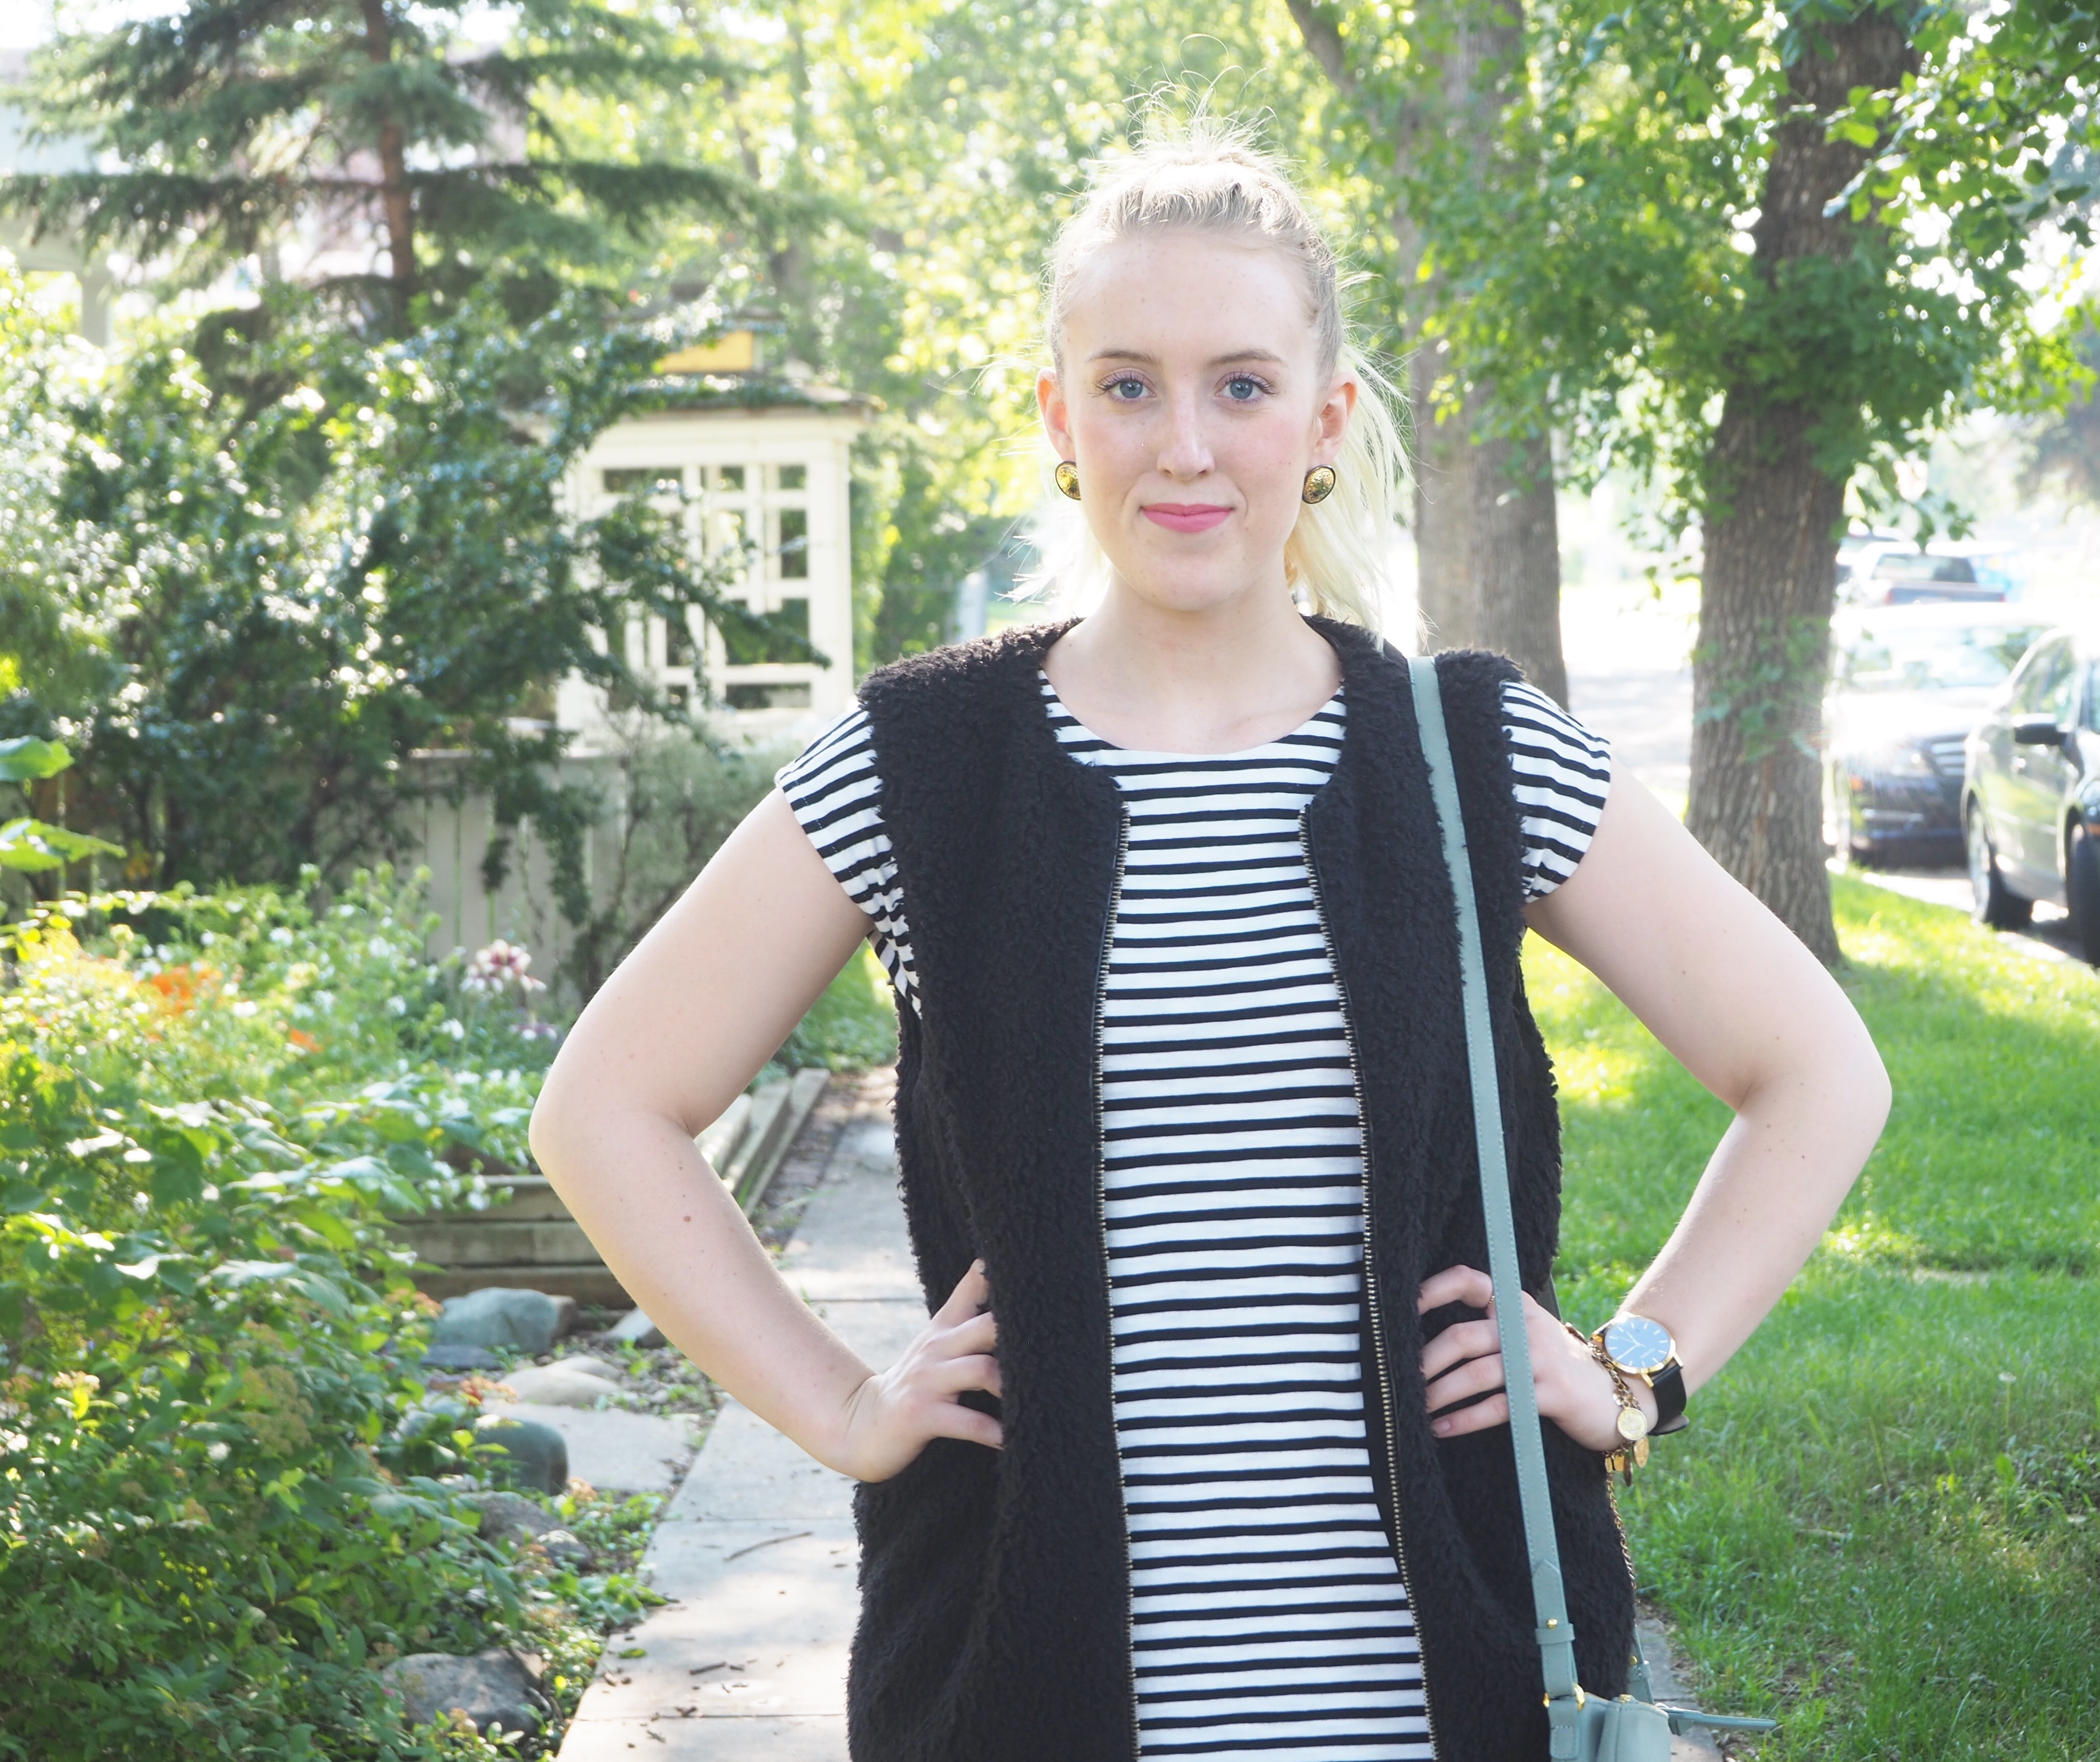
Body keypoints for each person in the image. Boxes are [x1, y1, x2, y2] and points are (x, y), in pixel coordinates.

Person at [530, 125, 1889, 1762]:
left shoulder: (1469, 754)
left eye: (1241, 386)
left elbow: (1815, 1070)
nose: (1186, 446)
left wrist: (1637, 1372)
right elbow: (601, 1108)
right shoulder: (922, 766)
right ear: (1058, 417)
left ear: (1326, 422)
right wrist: (842, 1407)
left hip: (1449, 1702)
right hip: (1021, 1692)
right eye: (1128, 386)